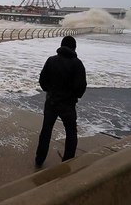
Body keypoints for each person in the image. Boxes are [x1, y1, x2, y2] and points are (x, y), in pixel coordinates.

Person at [35, 36, 87, 168]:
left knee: (46, 131)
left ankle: (39, 160)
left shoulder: (51, 60)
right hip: (68, 105)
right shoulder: (77, 64)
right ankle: (67, 162)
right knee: (71, 133)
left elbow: (42, 81)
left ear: (61, 45)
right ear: (74, 48)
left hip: (51, 102)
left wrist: (50, 92)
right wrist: (72, 97)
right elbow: (81, 88)